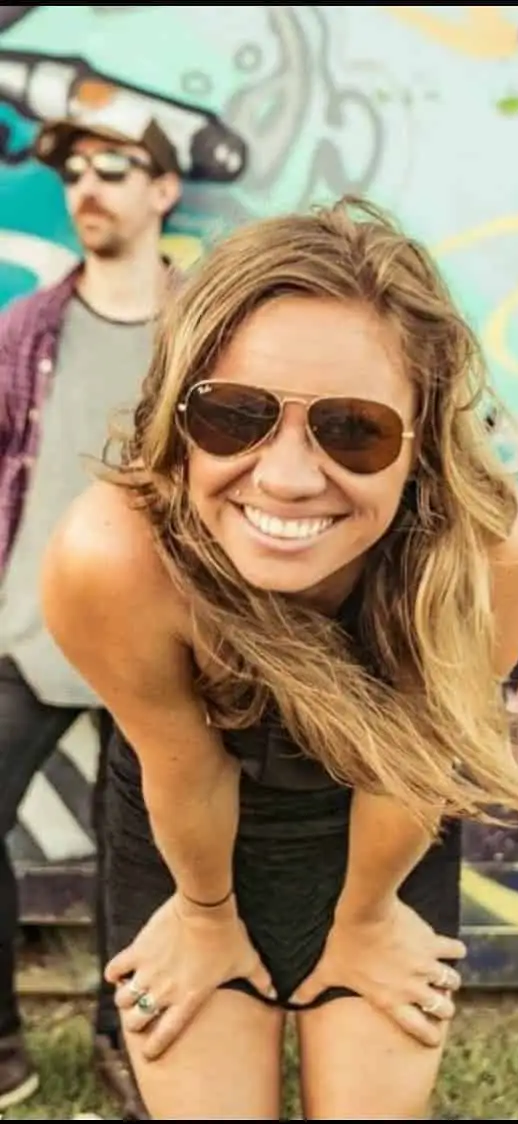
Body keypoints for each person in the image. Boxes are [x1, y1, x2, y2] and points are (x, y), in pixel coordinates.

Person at [39, 197, 518, 1120]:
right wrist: (205, 916)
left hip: (386, 822)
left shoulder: (486, 549)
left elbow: (416, 760)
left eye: (353, 428)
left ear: (425, 439)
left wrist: (364, 917)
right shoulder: (114, 556)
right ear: (178, 412)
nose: (285, 477)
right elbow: (183, 762)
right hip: (187, 837)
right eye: (235, 416)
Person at [0, 110, 183, 1118]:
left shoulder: (206, 324)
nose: (87, 184)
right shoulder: (28, 329)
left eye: (115, 165)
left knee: (148, 857)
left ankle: (126, 1044)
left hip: (161, 649)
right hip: (25, 639)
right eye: (73, 170)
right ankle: (1, 1041)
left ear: (164, 190)